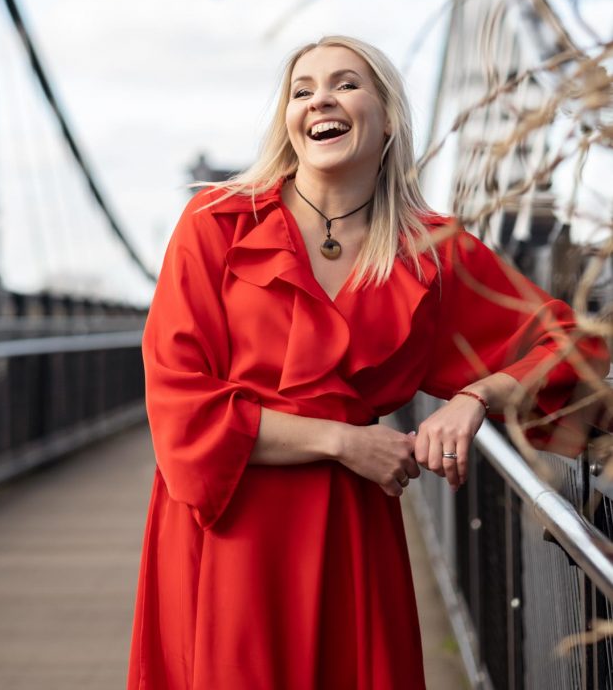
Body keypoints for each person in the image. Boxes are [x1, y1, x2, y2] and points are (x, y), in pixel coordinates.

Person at [126, 35, 609, 690]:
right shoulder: (215, 225)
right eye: (302, 90)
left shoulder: (431, 253)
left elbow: (576, 343)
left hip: (345, 533)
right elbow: (181, 409)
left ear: (386, 116)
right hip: (224, 526)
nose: (320, 98)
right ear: (289, 121)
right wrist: (345, 442)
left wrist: (476, 398)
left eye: (345, 84)